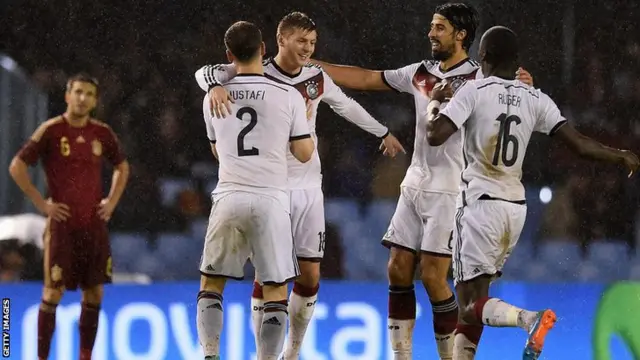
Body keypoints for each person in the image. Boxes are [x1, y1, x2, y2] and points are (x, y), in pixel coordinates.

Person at [308, 3, 533, 358]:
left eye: (440, 27)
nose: (431, 33)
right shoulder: (419, 73)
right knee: (397, 269)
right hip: (414, 185)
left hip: (452, 192)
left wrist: (521, 84)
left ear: (461, 35)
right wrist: (312, 65)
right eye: (432, 26)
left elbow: (515, 106)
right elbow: (367, 78)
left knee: (432, 277)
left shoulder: (482, 80)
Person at [195, 11, 406, 359]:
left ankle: (292, 350)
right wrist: (214, 83)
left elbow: (346, 107)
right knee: (268, 278)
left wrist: (381, 131)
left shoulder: (315, 78)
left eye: (312, 42)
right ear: (278, 42)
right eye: (301, 41)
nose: (308, 48)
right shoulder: (259, 74)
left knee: (309, 275)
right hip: (274, 188)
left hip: (305, 189)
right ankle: (266, 353)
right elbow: (208, 73)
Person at [426, 25, 639, 360]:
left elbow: (435, 135)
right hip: (515, 210)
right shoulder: (536, 98)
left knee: (468, 304)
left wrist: (435, 103)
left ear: (482, 57)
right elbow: (579, 145)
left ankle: (529, 318)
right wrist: (620, 155)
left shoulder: (473, 92)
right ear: (516, 60)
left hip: (480, 205)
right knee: (478, 301)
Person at [195, 21, 315, 360]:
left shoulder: (212, 98)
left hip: (230, 195)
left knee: (212, 283)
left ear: (229, 55)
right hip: (271, 200)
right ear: (265, 50)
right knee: (275, 289)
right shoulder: (288, 95)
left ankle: (210, 354)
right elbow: (304, 154)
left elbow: (218, 151)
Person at [9, 73, 130, 360]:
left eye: (89, 94)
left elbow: (122, 166)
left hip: (93, 226)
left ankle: (85, 356)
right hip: (62, 226)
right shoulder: (51, 130)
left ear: (95, 101)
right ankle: (41, 357)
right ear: (67, 96)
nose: (82, 98)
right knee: (52, 293)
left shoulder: (102, 133)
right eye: (78, 92)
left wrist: (111, 202)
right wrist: (43, 204)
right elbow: (17, 166)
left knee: (94, 294)